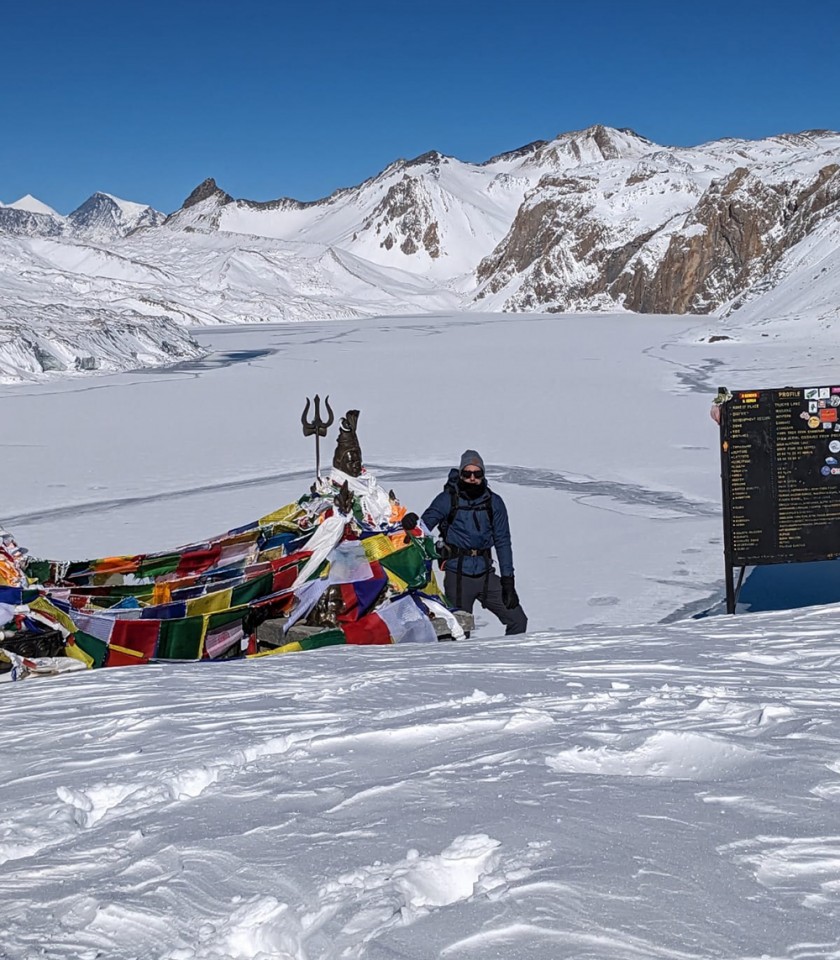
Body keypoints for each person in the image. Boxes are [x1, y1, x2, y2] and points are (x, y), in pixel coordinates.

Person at [402, 450, 528, 636]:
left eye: (477, 474)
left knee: (518, 620)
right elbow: (424, 529)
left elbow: (503, 542)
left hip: (486, 575)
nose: (472, 478)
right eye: (467, 473)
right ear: (460, 474)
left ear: (483, 475)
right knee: (458, 632)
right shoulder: (447, 500)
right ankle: (458, 665)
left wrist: (508, 581)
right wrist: (411, 524)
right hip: (458, 576)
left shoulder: (494, 503)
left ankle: (509, 662)